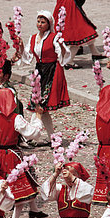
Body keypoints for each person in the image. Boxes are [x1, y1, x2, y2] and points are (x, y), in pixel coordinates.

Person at [0, 87, 46, 218]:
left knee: (16, 183)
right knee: (20, 188)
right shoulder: (16, 118)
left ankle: (34, 209)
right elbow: (32, 133)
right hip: (12, 155)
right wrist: (38, 117)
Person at [19, 10, 71, 138]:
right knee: (41, 107)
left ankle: (29, 135)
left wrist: (61, 46)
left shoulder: (54, 37)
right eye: (38, 21)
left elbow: (64, 55)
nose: (40, 24)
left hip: (51, 72)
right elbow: (27, 56)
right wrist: (20, 47)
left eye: (43, 22)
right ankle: (51, 137)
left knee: (40, 105)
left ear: (49, 24)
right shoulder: (33, 38)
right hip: (39, 72)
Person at [53, 0, 104, 67]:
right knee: (79, 34)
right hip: (70, 6)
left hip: (67, 5)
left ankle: (95, 53)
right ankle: (69, 61)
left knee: (85, 30)